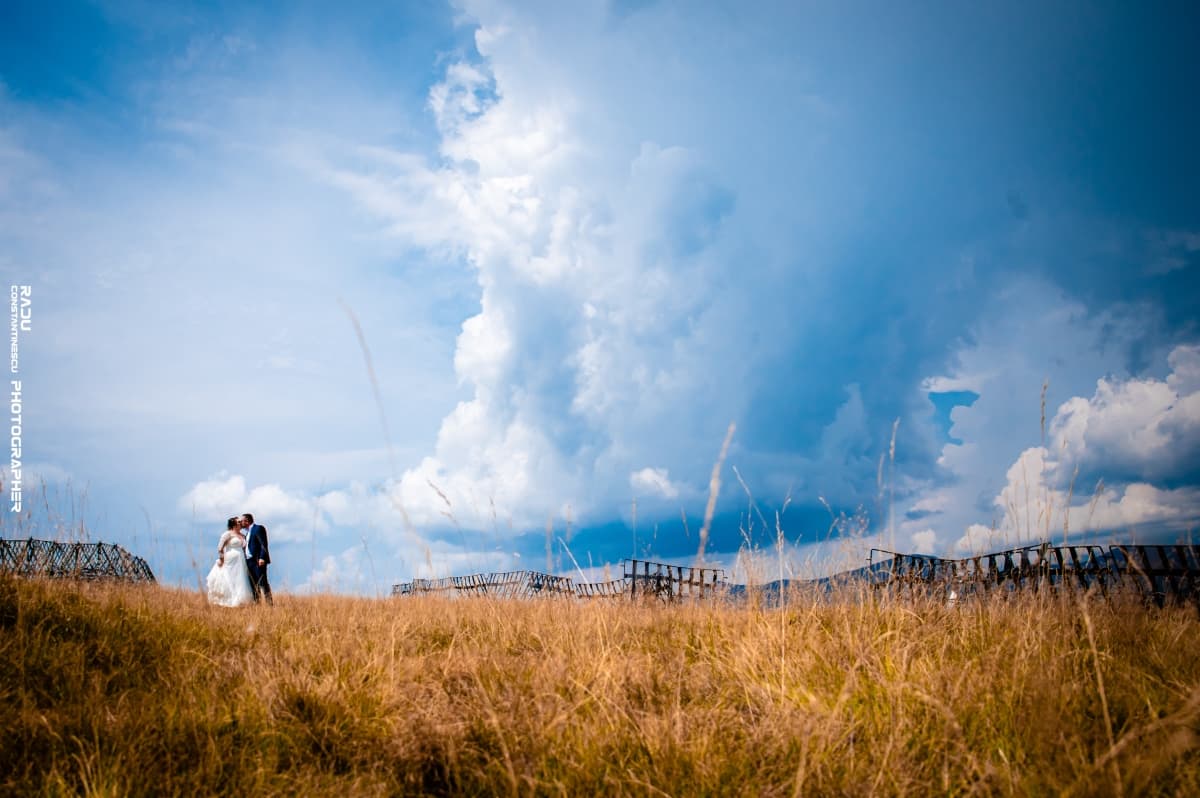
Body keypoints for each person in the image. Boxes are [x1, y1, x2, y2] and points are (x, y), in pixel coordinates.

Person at [205, 517, 255, 607]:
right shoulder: (227, 534)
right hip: (230, 560)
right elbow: (220, 547)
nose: (241, 523)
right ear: (234, 524)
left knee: (240, 579)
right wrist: (221, 559)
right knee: (229, 579)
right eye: (239, 522)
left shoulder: (243, 535)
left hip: (240, 560)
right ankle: (228, 601)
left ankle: (239, 601)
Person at [241, 512, 273, 605]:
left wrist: (262, 558)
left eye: (241, 521)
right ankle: (257, 604)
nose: (240, 523)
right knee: (253, 584)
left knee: (263, 583)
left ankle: (269, 604)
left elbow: (263, 544)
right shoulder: (247, 533)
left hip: (258, 561)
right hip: (249, 562)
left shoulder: (258, 528)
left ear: (246, 521)